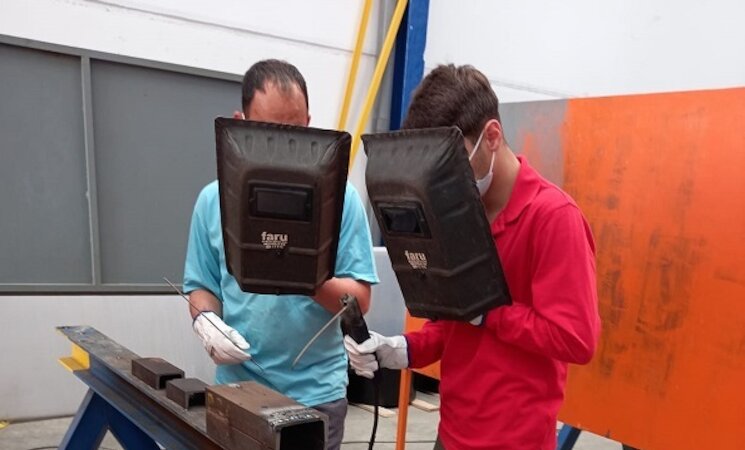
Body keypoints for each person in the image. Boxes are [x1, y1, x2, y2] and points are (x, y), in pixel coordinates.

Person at [345, 64, 601, 450]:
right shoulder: (456, 216)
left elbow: (576, 338)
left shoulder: (553, 218)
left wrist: (490, 312)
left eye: (453, 161)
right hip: (451, 434)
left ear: (491, 136)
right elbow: (454, 325)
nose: (441, 179)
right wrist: (400, 349)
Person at [183, 59, 379, 450]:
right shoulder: (213, 201)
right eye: (271, 133)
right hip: (238, 389)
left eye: (298, 133)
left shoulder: (341, 201)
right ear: (241, 124)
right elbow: (201, 285)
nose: (286, 149)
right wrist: (206, 321)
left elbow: (359, 301)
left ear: (309, 123)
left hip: (315, 395)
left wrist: (302, 272)